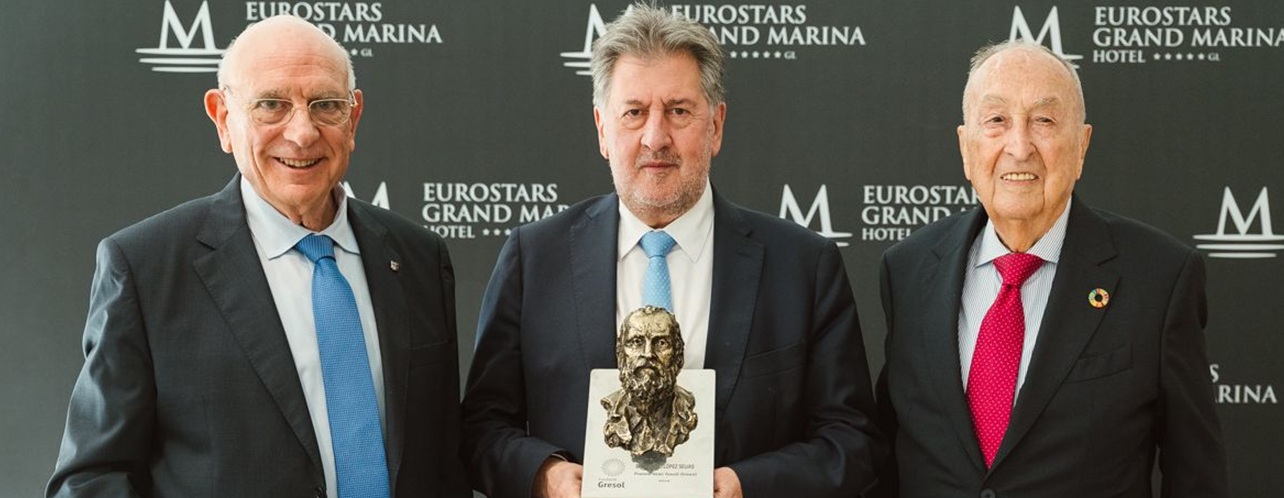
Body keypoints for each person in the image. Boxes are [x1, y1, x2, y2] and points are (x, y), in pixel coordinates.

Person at [461, 5, 882, 498]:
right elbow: (482, 428)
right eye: (634, 112)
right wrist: (545, 476)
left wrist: (747, 486)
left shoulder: (803, 267)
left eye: (678, 111)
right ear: (602, 129)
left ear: (716, 126)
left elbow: (852, 442)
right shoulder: (534, 259)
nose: (655, 137)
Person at [47, 15, 469, 498]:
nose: (303, 133)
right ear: (223, 118)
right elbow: (91, 478)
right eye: (271, 105)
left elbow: (442, 461)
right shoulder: (146, 268)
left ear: (352, 120)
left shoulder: (418, 257)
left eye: (325, 105)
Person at [875, 40, 1228, 497]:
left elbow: (1196, 475)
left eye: (1043, 121)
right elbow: (885, 454)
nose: (1019, 147)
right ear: (965, 146)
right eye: (996, 120)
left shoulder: (1159, 278)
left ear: (1082, 145)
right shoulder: (908, 270)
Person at [601, 306, 698, 460]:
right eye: (636, 342)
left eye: (661, 343)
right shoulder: (607, 407)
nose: (648, 354)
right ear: (620, 354)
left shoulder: (688, 412)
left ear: (678, 356)